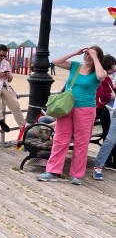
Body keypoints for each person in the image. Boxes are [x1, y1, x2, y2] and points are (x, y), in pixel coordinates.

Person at [38, 46, 106, 185]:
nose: (87, 56)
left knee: (81, 143)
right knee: (60, 139)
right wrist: (76, 52)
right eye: (86, 54)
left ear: (98, 57)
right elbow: (56, 61)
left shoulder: (98, 71)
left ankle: (76, 175)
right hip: (67, 107)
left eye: (91, 54)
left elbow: (101, 76)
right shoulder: (75, 66)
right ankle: (52, 171)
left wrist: (94, 57)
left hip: (85, 109)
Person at [0, 44, 25, 133]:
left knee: (15, 105)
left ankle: (23, 128)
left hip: (5, 85)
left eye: (4, 55)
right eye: (1, 55)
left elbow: (10, 79)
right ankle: (0, 120)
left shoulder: (6, 63)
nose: (3, 57)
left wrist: (8, 75)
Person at [94, 54, 116, 170]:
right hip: (106, 110)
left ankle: (108, 160)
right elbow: (105, 95)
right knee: (110, 136)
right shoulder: (105, 78)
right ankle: (107, 161)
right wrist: (113, 95)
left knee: (109, 136)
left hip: (103, 109)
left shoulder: (102, 76)